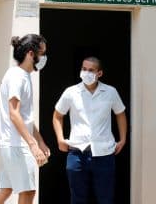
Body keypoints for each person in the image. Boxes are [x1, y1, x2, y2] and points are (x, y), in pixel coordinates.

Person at [52, 56, 127, 204]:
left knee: (105, 199)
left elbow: (120, 114)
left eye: (91, 70)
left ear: (99, 73)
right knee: (77, 199)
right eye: (84, 69)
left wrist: (123, 139)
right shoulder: (71, 92)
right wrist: (60, 139)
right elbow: (57, 115)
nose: (86, 72)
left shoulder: (110, 92)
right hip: (77, 153)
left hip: (104, 153)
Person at [0, 34, 51, 204]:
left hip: (13, 143)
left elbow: (25, 117)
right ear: (31, 54)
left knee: (4, 189)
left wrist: (40, 141)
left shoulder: (22, 76)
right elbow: (14, 114)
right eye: (42, 53)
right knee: (28, 191)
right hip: (17, 145)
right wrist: (32, 144)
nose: (44, 57)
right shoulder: (17, 76)